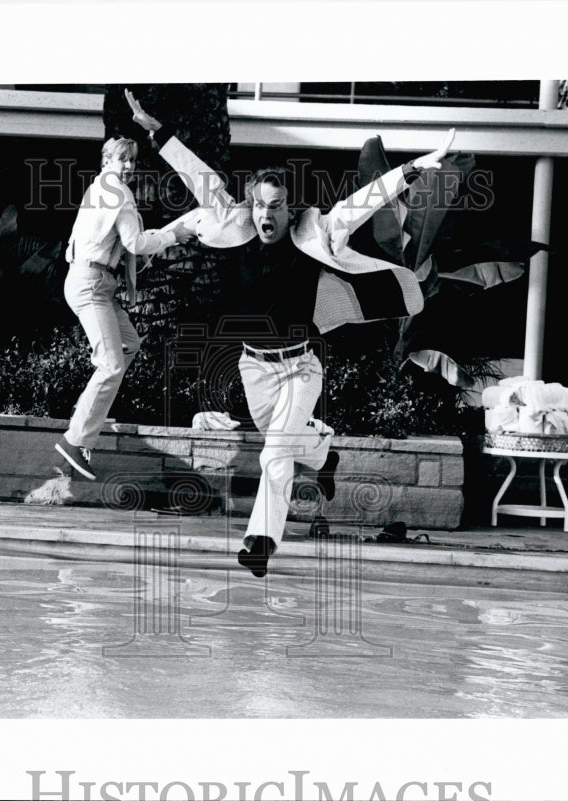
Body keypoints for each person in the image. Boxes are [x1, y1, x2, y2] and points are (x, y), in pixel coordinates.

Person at [126, 90, 455, 577]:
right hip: (253, 368)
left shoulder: (312, 235)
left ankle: (260, 541)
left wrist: (412, 169)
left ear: (288, 208)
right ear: (250, 205)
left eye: (275, 206)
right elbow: (200, 177)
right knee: (291, 444)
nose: (266, 215)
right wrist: (159, 134)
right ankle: (323, 452)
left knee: (274, 454)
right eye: (259, 205)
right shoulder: (233, 228)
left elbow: (361, 204)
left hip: (301, 368)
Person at [55, 136, 194, 479]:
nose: (129, 166)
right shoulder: (119, 192)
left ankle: (85, 411)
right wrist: (173, 237)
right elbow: (135, 241)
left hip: (93, 282)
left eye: (132, 160)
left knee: (128, 343)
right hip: (91, 284)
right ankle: (75, 441)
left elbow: (123, 243)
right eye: (122, 159)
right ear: (106, 160)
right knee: (111, 365)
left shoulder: (99, 187)